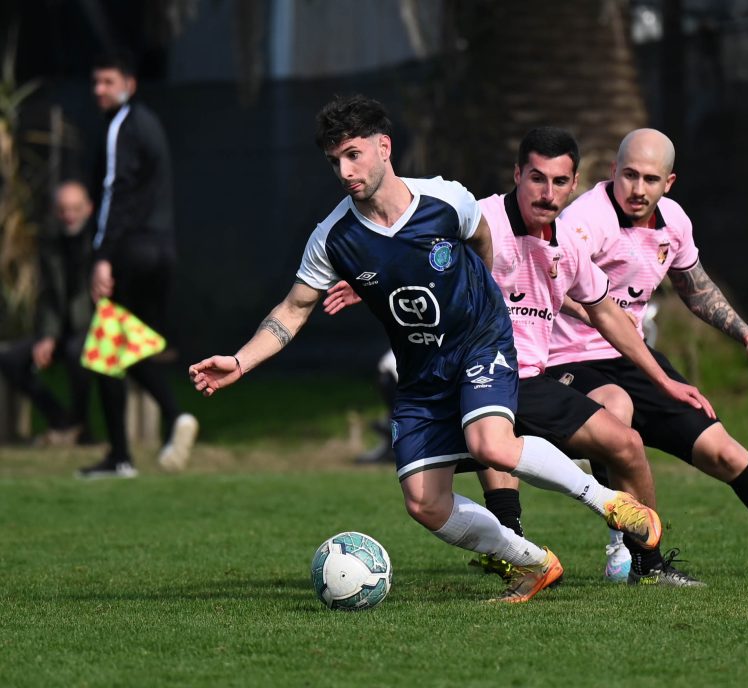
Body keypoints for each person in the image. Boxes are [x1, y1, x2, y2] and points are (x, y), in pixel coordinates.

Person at [189, 94, 663, 604]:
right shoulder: (333, 238)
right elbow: (293, 309)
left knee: (491, 445)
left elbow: (483, 244)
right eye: (334, 161)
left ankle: (610, 502)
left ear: (384, 148)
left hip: (480, 342)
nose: (345, 171)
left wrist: (481, 300)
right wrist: (240, 360)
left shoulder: (445, 200)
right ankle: (531, 562)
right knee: (423, 502)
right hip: (421, 372)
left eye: (353, 154)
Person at [325, 127, 715, 586]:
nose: (546, 193)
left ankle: (645, 565)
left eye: (559, 182)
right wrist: (372, 279)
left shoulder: (567, 241)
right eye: (536, 178)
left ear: (574, 186)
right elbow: (408, 240)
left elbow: (607, 315)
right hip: (471, 369)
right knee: (472, 458)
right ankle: (521, 551)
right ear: (517, 175)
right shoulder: (479, 216)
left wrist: (663, 379)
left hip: (532, 378)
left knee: (626, 443)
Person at [545, 128, 748, 578]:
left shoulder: (673, 222)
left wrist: (747, 335)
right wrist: (601, 313)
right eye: (629, 175)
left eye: (650, 179)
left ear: (668, 183)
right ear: (613, 171)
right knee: (616, 408)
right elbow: (559, 287)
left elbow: (696, 289)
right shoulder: (585, 220)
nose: (637, 189)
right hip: (569, 360)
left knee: (725, 453)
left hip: (634, 357)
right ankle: (624, 541)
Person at [77, 52, 198, 479]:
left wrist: (103, 255)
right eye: (95, 82)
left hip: (130, 252)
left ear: (129, 82)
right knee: (125, 347)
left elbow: (117, 193)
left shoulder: (122, 126)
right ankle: (173, 419)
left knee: (107, 353)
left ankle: (121, 457)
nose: (99, 90)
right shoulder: (150, 123)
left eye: (107, 81)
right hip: (161, 253)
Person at [0, 181, 94, 445]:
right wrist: (48, 337)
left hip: (92, 330)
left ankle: (81, 426)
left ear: (89, 209)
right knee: (10, 360)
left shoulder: (99, 243)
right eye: (63, 209)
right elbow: (50, 297)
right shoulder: (50, 243)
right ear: (55, 211)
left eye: (76, 208)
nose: (70, 216)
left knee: (80, 352)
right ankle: (61, 419)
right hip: (60, 332)